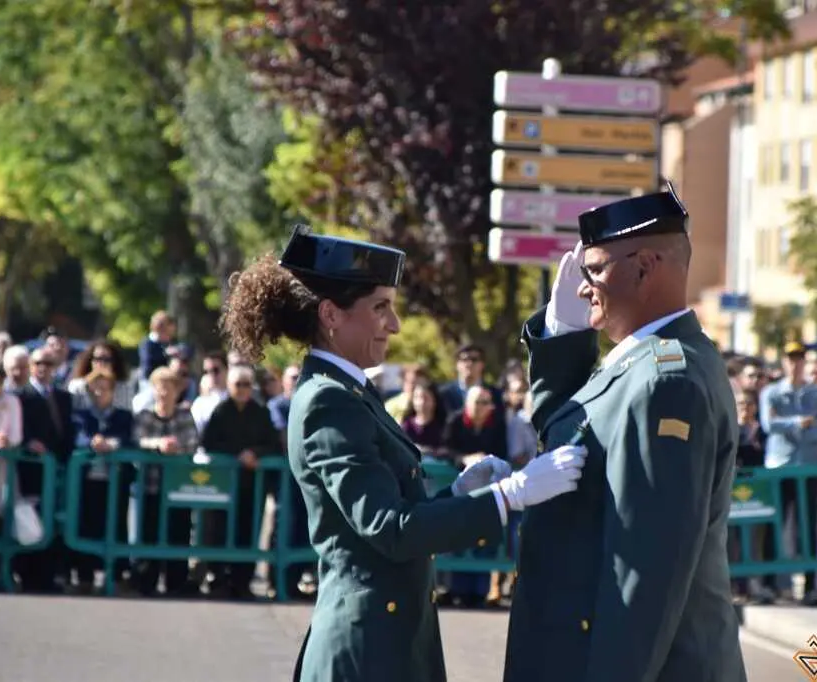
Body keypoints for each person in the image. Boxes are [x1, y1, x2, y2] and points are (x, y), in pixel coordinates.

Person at [219, 225, 587, 682]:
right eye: (380, 307)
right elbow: (390, 529)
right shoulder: (329, 400)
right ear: (331, 314)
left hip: (389, 639)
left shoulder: (348, 391)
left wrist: (458, 495)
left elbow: (392, 514)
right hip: (369, 651)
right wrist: (510, 495)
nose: (393, 324)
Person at [503, 185, 746, 682]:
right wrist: (562, 340)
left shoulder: (664, 381)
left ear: (645, 267)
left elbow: (645, 572)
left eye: (593, 270)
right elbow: (566, 432)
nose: (583, 288)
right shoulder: (642, 362)